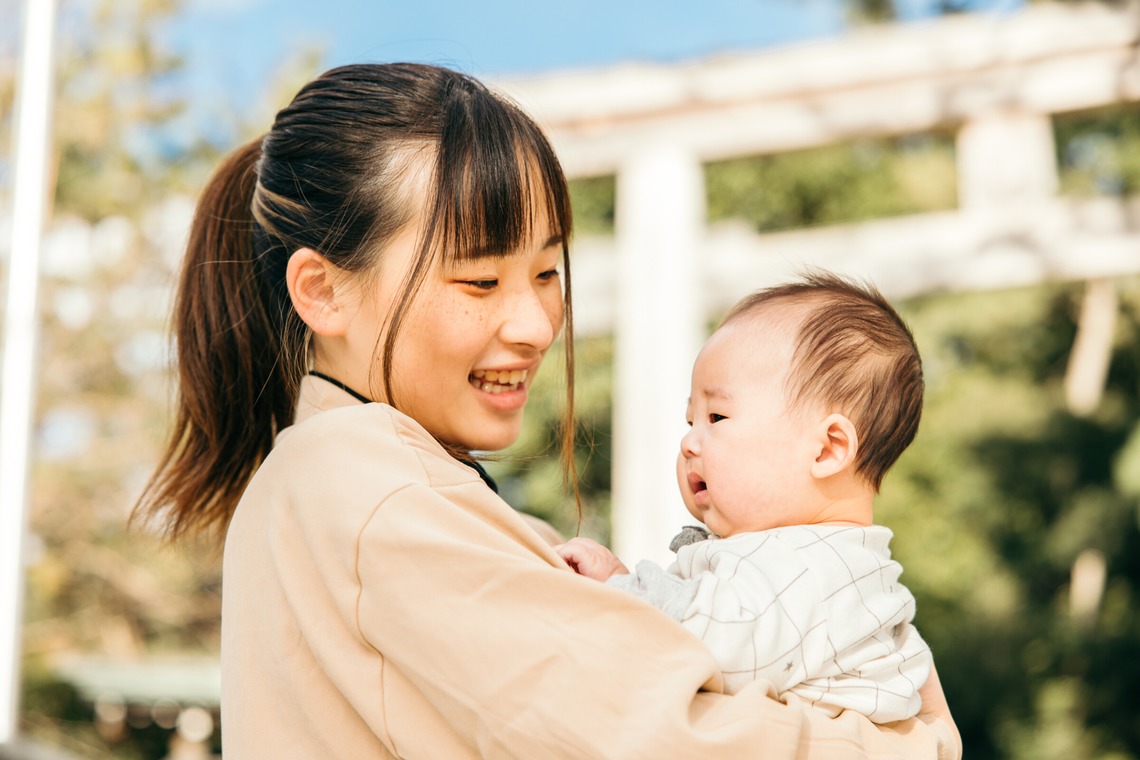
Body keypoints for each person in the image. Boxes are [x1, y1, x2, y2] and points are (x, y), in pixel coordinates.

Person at [134, 63, 960, 758]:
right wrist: (917, 740)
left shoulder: (366, 482)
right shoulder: (366, 486)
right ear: (324, 290)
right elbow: (666, 740)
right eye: (480, 281)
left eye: (547, 273)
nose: (533, 325)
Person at [557, 273, 934, 725]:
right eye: (690, 420)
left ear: (827, 448)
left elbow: (712, 647)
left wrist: (622, 593)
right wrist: (621, 580)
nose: (689, 443)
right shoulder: (812, 563)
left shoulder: (810, 570)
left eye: (716, 416)